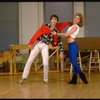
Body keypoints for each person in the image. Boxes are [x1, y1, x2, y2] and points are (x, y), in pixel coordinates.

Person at [19, 14, 70, 84]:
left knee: (45, 63)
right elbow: (37, 34)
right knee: (30, 60)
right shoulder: (45, 26)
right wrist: (31, 43)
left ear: (57, 21)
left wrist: (61, 52)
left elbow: (59, 42)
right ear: (50, 20)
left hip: (45, 46)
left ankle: (45, 79)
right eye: (53, 19)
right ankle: (23, 77)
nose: (54, 20)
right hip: (38, 44)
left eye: (55, 19)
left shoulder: (56, 31)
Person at [52, 12, 88, 84]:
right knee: (73, 62)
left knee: (74, 62)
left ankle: (82, 76)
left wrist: (56, 33)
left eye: (78, 19)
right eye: (75, 17)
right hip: (70, 45)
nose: (76, 19)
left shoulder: (75, 26)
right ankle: (74, 79)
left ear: (79, 21)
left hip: (73, 45)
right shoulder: (72, 26)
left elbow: (67, 34)